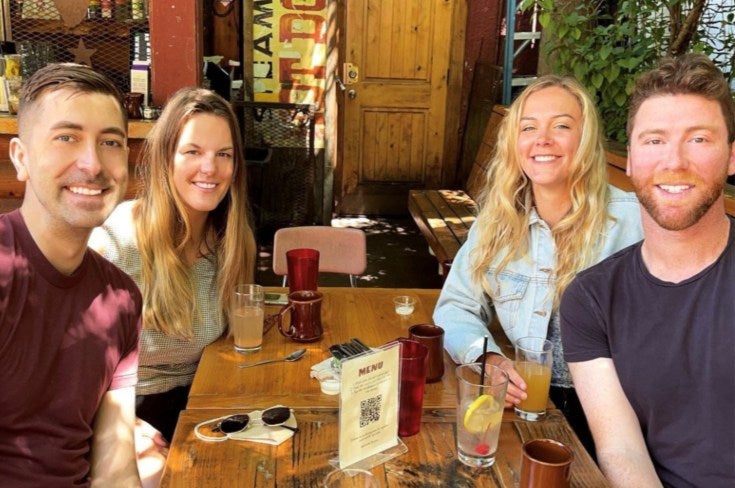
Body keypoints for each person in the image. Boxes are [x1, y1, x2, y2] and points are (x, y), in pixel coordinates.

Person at [433, 75, 643, 453]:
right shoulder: (497, 221)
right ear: (515, 144)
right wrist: (489, 357)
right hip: (526, 403)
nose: (542, 139)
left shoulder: (633, 222)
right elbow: (455, 306)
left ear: (586, 140)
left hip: (618, 414)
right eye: (528, 128)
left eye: (561, 126)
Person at [560, 53, 735, 487]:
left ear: (731, 157)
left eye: (699, 139)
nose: (674, 161)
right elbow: (622, 449)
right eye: (654, 140)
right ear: (631, 161)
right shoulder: (591, 298)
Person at [90, 87, 256, 483]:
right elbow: (68, 362)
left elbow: (233, 339)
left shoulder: (231, 242)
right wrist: (120, 425)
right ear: (166, 157)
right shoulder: (117, 240)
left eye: (224, 154)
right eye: (193, 151)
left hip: (202, 400)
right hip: (125, 406)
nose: (210, 169)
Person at [0, 63, 142, 486]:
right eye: (67, 137)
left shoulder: (122, 298)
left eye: (110, 142)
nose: (92, 163)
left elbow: (115, 467)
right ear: (21, 158)